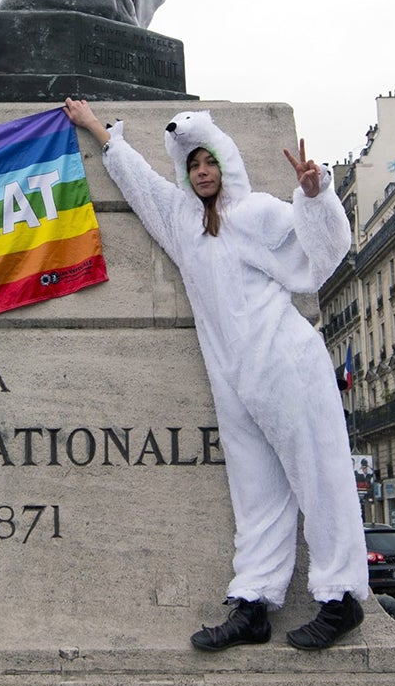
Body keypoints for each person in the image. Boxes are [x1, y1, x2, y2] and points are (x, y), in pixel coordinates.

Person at [62, 100, 372, 649]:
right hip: (232, 376)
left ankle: (341, 596)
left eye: (210, 162)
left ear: (225, 163)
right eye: (193, 165)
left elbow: (320, 255)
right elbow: (144, 188)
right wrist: (95, 129)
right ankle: (252, 603)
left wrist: (316, 194)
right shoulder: (184, 224)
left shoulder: (256, 213)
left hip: (286, 364)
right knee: (255, 491)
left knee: (318, 475)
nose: (201, 172)